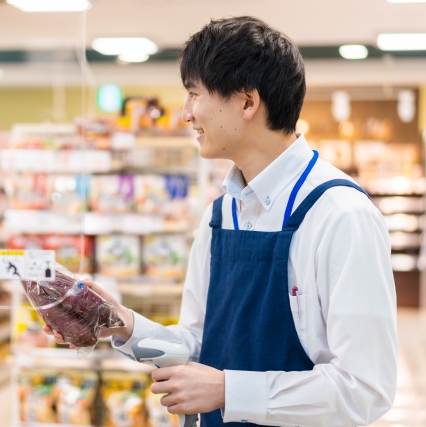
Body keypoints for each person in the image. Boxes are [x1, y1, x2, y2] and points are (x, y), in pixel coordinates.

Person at [45, 16, 397, 427]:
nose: (186, 114)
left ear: (248, 103)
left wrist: (230, 391)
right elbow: (199, 344)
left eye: (194, 94)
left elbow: (365, 389)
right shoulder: (220, 213)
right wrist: (122, 325)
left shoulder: (340, 216)